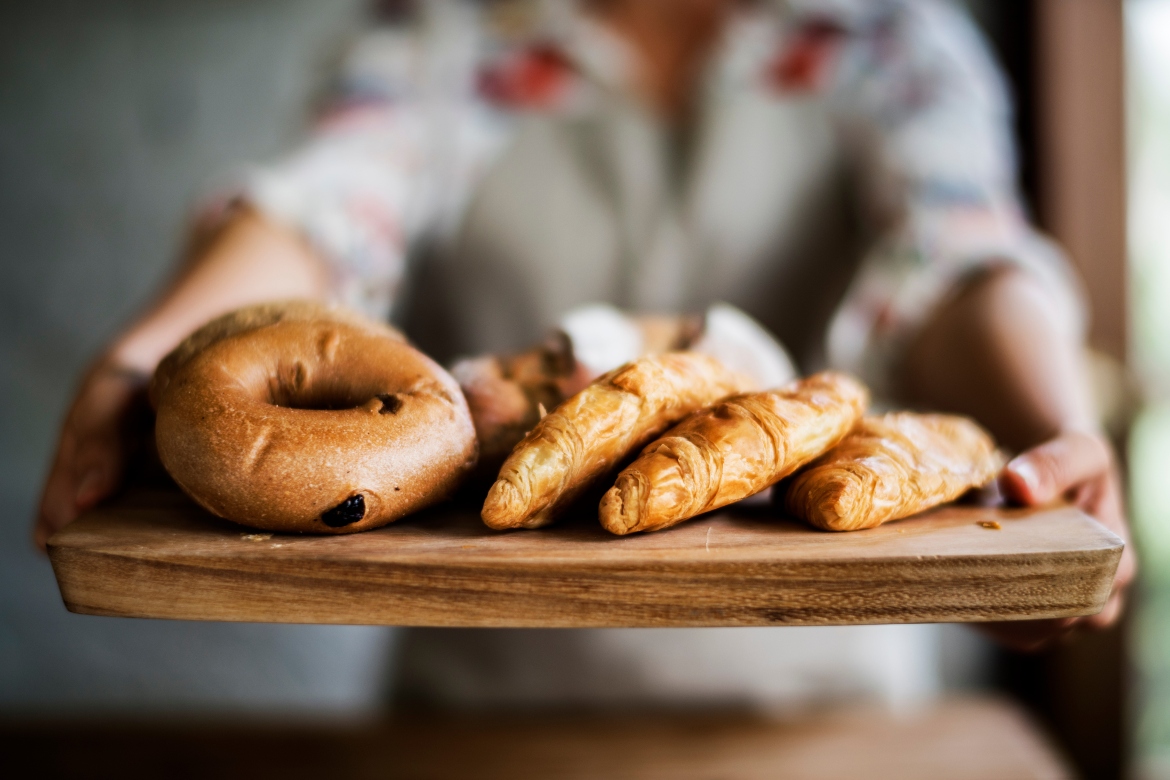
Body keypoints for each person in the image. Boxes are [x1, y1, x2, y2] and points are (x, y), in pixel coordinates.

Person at [35, 0, 1133, 709]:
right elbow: (321, 215)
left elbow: (956, 262)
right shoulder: (447, 36)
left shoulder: (886, 35)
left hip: (821, 704)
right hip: (484, 707)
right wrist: (157, 353)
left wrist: (1048, 426)